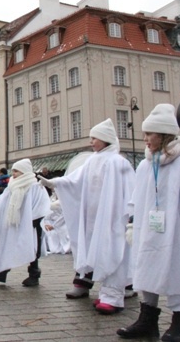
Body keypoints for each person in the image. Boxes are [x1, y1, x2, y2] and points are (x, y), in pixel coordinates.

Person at [39, 118, 134, 314]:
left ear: (105, 139)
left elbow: (130, 189)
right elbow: (75, 181)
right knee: (89, 247)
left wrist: (128, 214)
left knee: (112, 249)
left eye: (94, 138)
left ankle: (114, 293)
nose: (91, 142)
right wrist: (55, 183)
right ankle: (84, 280)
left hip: (111, 217)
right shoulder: (92, 161)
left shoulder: (118, 162)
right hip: (91, 218)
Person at [117, 104, 180, 340]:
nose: (145, 139)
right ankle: (147, 320)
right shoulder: (146, 164)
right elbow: (139, 198)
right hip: (150, 227)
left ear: (164, 134)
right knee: (146, 266)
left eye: (150, 134)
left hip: (177, 228)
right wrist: (132, 223)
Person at [0, 159, 50, 286]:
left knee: (32, 247)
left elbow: (42, 204)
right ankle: (2, 272)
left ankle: (34, 274)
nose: (13, 174)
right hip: (13, 222)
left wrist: (34, 220)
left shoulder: (34, 186)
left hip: (31, 223)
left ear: (24, 171)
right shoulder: (12, 186)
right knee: (8, 245)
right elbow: (0, 202)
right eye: (13, 171)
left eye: (16, 171)